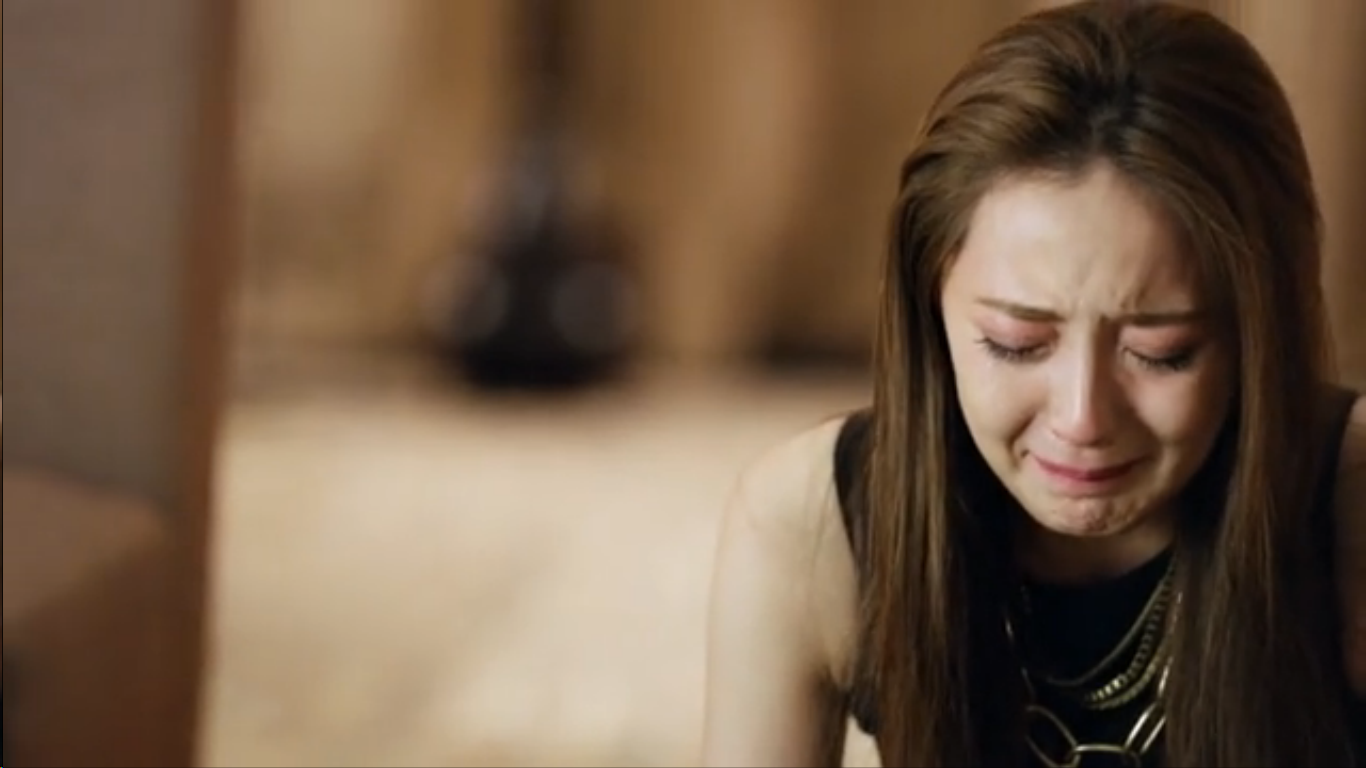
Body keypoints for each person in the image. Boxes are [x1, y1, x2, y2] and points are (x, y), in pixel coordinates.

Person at [700, 1, 1366, 766]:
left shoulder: (1350, 500)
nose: (1082, 417)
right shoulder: (810, 526)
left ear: (1260, 335)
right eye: (1016, 344)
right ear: (931, 308)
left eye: (1161, 352)